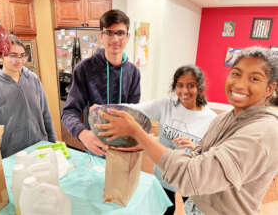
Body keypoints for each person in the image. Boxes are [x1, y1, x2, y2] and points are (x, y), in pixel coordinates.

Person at [96, 46, 278, 215]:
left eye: (254, 78)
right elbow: (204, 155)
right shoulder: (225, 118)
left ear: (270, 88)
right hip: (185, 195)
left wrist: (138, 134)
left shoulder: (263, 131)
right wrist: (104, 108)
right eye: (236, 74)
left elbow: (193, 177)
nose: (239, 85)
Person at [121, 65, 216, 214]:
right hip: (163, 176)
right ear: (174, 86)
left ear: (199, 88)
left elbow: (213, 156)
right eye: (180, 85)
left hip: (190, 180)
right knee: (163, 211)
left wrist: (195, 147)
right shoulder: (165, 106)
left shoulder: (211, 119)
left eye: (191, 85)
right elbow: (133, 109)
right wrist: (103, 107)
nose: (185, 91)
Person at [61, 9, 141, 156]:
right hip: (95, 147)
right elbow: (69, 112)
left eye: (120, 33)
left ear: (128, 36)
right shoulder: (84, 69)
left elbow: (133, 112)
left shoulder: (133, 72)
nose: (115, 39)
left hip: (122, 146)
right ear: (101, 37)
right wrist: (83, 134)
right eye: (109, 33)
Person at [0, 34, 56, 158]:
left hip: (40, 148)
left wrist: (52, 143)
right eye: (12, 55)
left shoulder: (33, 79)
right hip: (11, 156)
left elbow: (46, 114)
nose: (19, 60)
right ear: (1, 58)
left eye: (22, 55)